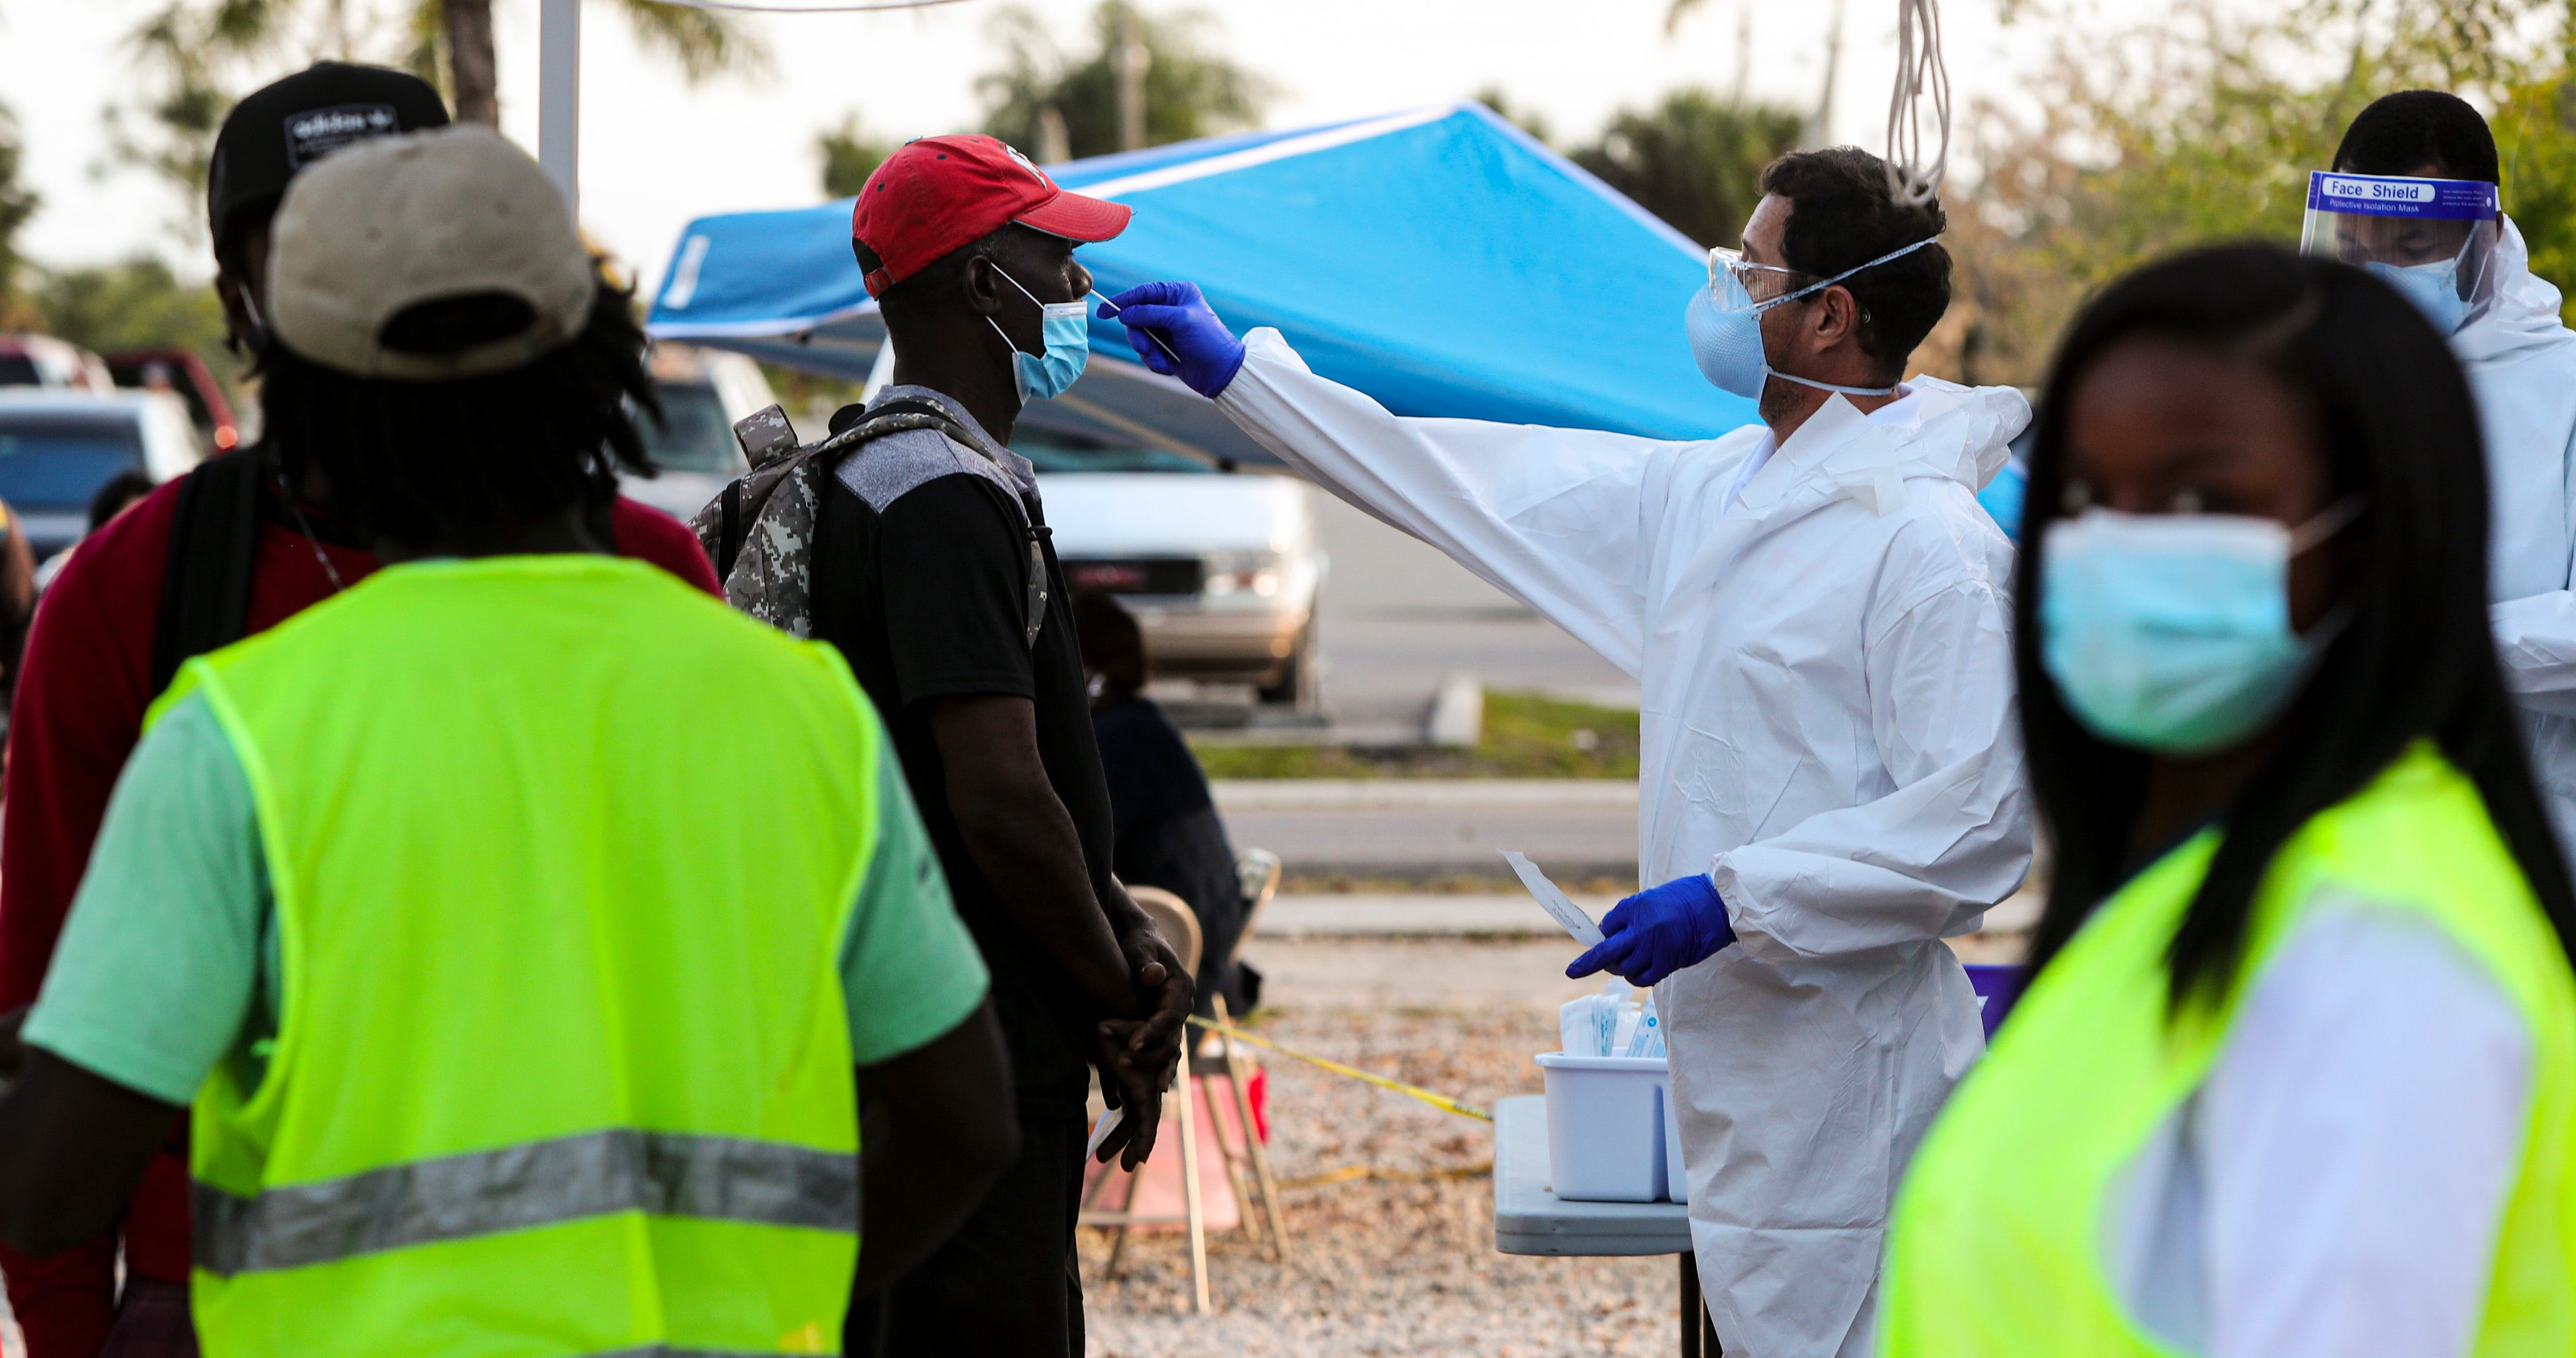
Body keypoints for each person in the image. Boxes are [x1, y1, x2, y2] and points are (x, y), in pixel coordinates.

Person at [0, 124, 1019, 1356]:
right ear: (597, 367)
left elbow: (55, 1184)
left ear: (316, 409)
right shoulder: (799, 712)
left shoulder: (240, 735)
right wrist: (801, 1300)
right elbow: (965, 1115)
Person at [1110, 145, 2032, 1354]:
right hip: (1735, 1064)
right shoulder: (1715, 496)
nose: (1719, 289)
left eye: (1745, 266)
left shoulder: (1928, 546)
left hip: (1849, 1078)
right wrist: (1247, 383)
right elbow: (1474, 486)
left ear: (1829, 315)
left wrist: (1733, 899)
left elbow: (1973, 825)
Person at [0, 65, 722, 1358]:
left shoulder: (649, 579)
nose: (374, 266)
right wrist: (78, 1328)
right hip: (232, 1307)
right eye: (317, 236)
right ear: (241, 299)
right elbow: (45, 999)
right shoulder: (133, 591)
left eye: (400, 220)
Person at [1878, 243, 2576, 1357]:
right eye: (2083, 500)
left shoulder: (2372, 947)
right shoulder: (2184, 894)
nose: (2117, 548)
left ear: (2374, 539)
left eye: (2202, 498)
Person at [819, 134, 1191, 1358]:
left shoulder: (922, 476)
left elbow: (1037, 790)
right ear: (986, 286)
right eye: (1060, 261)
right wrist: (1112, 984)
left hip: (953, 1034)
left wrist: (1125, 932)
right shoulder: (936, 495)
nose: (1081, 291)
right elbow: (996, 794)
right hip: (963, 1052)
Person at [2308, 91, 2576, 864]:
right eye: (2356, 256)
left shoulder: (2563, 387)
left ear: (2485, 236)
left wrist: (2427, 639)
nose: (2380, 275)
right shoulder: (2317, 385)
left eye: (2412, 248)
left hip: (2528, 855)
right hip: (2349, 853)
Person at [1074, 590, 1259, 1016]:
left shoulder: (1116, 743)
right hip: (1208, 955)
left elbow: (1078, 851)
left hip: (1174, 968)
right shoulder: (1143, 725)